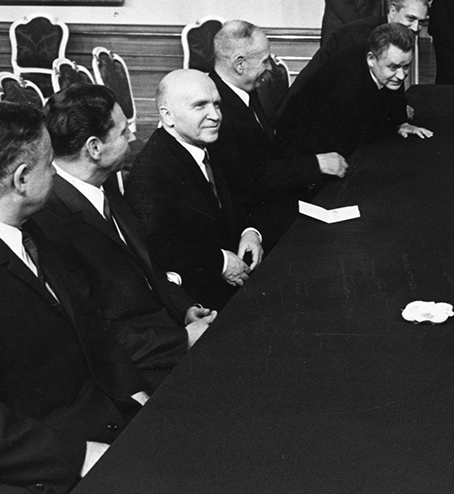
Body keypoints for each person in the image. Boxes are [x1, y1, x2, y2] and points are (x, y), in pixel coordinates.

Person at [0, 102, 146, 492]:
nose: (56, 171)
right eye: (49, 164)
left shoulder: (34, 232)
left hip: (106, 416)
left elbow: (91, 326)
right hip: (51, 461)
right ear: (22, 179)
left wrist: (136, 394)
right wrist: (80, 456)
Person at [33, 85, 215, 391]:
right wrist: (182, 339)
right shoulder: (51, 222)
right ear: (94, 148)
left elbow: (147, 268)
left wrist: (183, 307)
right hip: (137, 371)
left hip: (166, 333)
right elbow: (97, 331)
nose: (132, 137)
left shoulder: (104, 183)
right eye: (123, 131)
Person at [126, 70, 264, 311]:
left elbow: (239, 199)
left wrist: (249, 232)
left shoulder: (207, 143)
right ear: (168, 116)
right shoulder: (150, 171)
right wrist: (220, 263)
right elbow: (159, 250)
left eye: (217, 105)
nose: (215, 116)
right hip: (198, 299)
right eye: (200, 106)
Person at [209, 20, 347, 243]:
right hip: (250, 224)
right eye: (265, 61)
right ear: (239, 64)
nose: (271, 68)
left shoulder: (242, 90)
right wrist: (316, 164)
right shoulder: (216, 111)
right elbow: (252, 177)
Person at [276, 23, 433, 158]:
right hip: (305, 151)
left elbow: (393, 92)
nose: (401, 75)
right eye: (393, 67)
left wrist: (400, 122)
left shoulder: (382, 65)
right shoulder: (346, 87)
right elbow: (343, 145)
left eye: (406, 66)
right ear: (371, 59)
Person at [278, 0, 429, 115]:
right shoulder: (360, 35)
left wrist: (398, 115)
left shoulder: (396, 36)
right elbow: (344, 92)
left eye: (421, 22)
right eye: (410, 18)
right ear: (392, 10)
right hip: (306, 113)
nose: (416, 28)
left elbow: (392, 75)